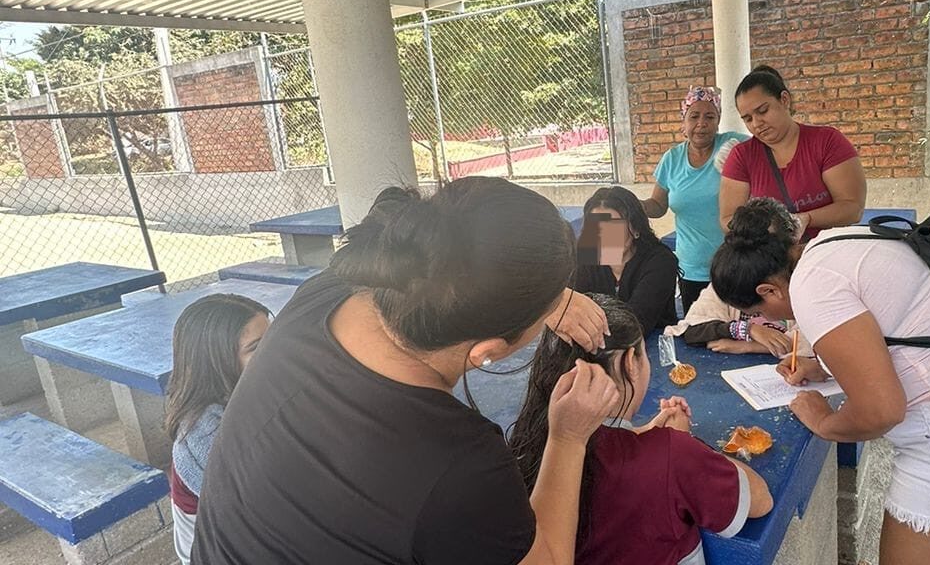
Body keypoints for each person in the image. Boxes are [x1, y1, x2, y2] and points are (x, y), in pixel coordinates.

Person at [191, 178, 621, 565]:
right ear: (487, 352)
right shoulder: (459, 464)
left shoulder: (324, 293)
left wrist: (540, 295)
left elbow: (458, 265)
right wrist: (568, 438)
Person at [710, 198, 930, 565]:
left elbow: (880, 411)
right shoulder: (834, 243)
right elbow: (904, 323)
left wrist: (823, 420)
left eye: (758, 313)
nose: (764, 319)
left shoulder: (809, 286)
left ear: (768, 291)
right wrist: (826, 367)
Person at [509, 294, 773, 565]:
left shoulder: (526, 448)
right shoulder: (673, 454)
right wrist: (682, 442)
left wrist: (643, 434)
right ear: (629, 363)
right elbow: (760, 500)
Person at [164, 294, 270, 565]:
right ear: (217, 361)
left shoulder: (251, 392)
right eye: (257, 347)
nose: (275, 351)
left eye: (274, 338)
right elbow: (268, 513)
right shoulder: (205, 432)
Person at [719, 65, 867, 240]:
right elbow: (728, 219)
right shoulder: (741, 156)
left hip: (826, 253)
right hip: (773, 262)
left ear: (784, 99)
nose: (757, 123)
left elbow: (852, 208)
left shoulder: (827, 141)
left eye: (763, 111)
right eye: (748, 119)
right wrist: (766, 231)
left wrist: (806, 219)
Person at [641, 86, 748, 313]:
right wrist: (631, 206)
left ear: (718, 121)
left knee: (741, 333)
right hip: (692, 269)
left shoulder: (733, 146)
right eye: (694, 116)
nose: (702, 123)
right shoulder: (672, 159)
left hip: (736, 264)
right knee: (700, 333)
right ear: (684, 122)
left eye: (710, 116)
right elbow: (658, 206)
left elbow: (768, 157)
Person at [574, 186, 678, 334]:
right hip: (595, 346)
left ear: (636, 229)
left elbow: (636, 320)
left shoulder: (660, 261)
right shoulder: (584, 258)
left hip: (651, 346)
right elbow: (570, 309)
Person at [663, 282, 800, 357]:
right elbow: (693, 330)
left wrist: (748, 347)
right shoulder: (725, 282)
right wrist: (749, 329)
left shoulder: (798, 286)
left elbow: (812, 342)